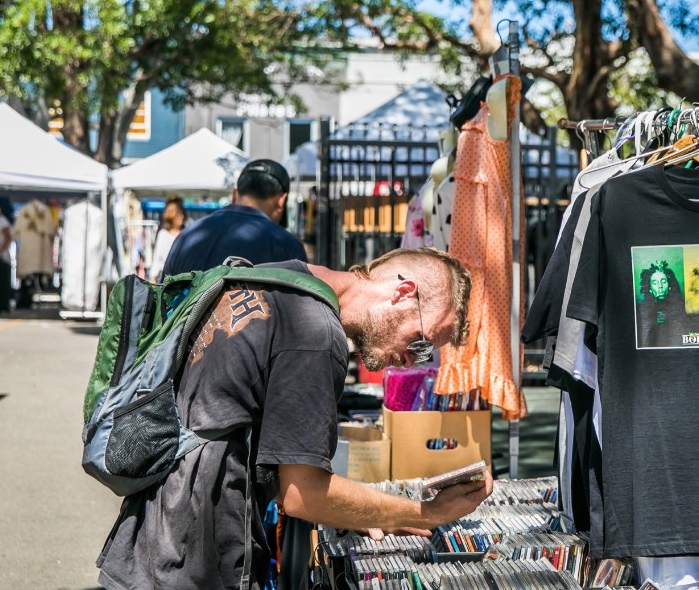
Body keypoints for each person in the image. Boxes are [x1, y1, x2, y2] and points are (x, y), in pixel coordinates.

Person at [96, 247, 488, 590]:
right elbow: (303, 494)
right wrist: (427, 513)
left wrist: (371, 511)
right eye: (421, 343)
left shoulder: (285, 277)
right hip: (195, 555)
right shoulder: (314, 332)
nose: (410, 360)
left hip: (150, 535)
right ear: (403, 293)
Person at [162, 159, 306, 276]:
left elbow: (163, 302)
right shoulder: (287, 247)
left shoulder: (186, 236)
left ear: (235, 194)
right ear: (282, 200)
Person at [146, 195, 187, 282]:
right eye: (179, 214)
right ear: (172, 216)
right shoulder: (163, 234)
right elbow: (157, 258)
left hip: (184, 278)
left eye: (182, 213)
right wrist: (153, 278)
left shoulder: (187, 233)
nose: (182, 216)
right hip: (165, 279)